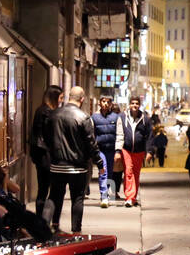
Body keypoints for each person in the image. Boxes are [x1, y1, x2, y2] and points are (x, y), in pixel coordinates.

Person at [46, 87, 104, 233]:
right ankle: (76, 231)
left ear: (68, 97)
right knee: (77, 198)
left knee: (54, 196)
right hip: (77, 166)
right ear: (82, 99)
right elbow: (91, 143)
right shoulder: (83, 117)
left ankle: (50, 226)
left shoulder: (54, 115)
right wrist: (100, 163)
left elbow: (46, 138)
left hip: (57, 164)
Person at [29, 85, 63, 216]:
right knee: (46, 190)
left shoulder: (41, 110)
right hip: (46, 156)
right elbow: (50, 135)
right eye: (60, 97)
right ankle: (42, 220)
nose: (61, 101)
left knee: (43, 189)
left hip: (41, 156)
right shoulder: (47, 112)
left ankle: (41, 219)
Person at [116, 94, 153, 206]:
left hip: (139, 150)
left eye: (137, 103)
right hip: (126, 149)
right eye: (132, 103)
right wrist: (118, 150)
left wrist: (149, 151)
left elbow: (149, 136)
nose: (134, 105)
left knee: (136, 173)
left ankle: (133, 197)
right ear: (129, 104)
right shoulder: (122, 117)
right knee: (128, 171)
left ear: (139, 105)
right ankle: (129, 197)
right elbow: (119, 134)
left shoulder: (145, 119)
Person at [91, 96, 121, 207]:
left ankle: (108, 192)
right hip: (100, 150)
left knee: (110, 172)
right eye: (103, 101)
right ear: (99, 103)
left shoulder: (115, 117)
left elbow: (119, 134)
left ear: (111, 104)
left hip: (112, 150)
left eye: (108, 102)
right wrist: (93, 150)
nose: (105, 104)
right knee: (103, 171)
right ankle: (103, 195)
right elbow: (91, 134)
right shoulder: (94, 117)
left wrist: (118, 150)